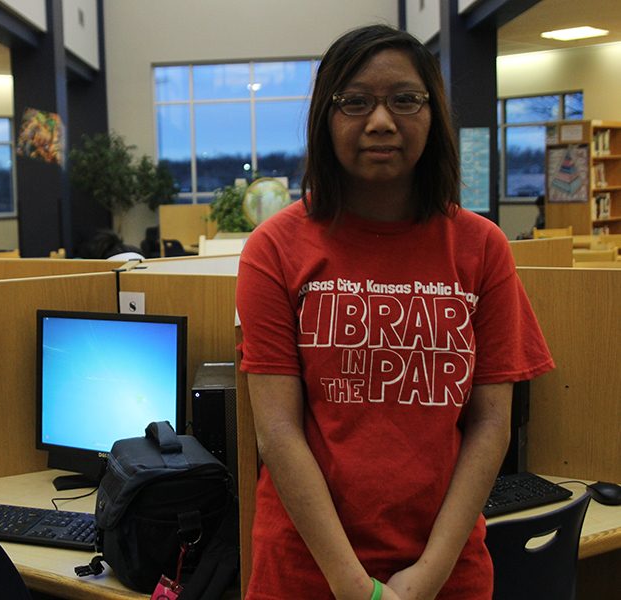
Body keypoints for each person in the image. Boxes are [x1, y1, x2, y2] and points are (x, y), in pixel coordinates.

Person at [236, 25, 554, 600]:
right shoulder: (275, 248)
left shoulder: (482, 248)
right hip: (306, 571)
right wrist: (353, 585)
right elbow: (277, 430)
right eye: (355, 102)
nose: (381, 121)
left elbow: (490, 424)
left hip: (446, 570)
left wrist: (427, 577)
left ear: (432, 115)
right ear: (325, 117)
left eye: (404, 100)